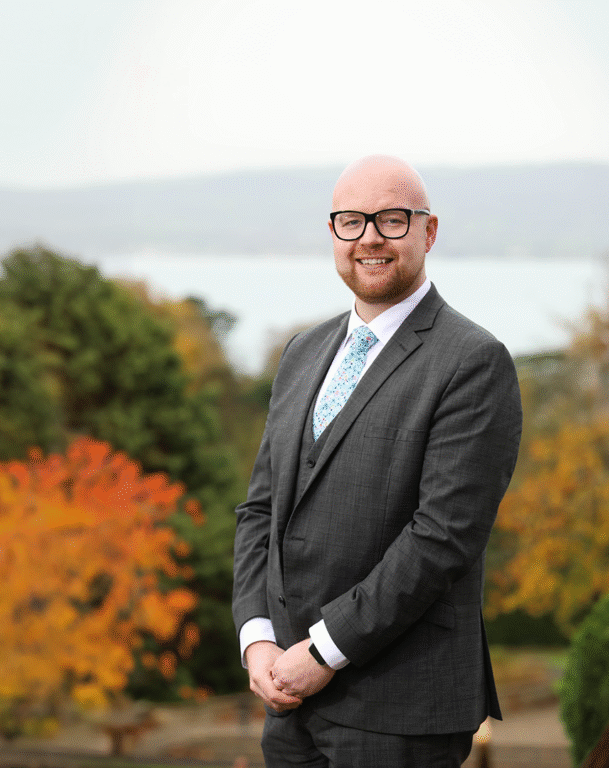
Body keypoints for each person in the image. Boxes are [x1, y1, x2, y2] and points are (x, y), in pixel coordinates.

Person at [232, 154, 522, 767]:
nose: (369, 237)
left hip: (398, 711)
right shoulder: (303, 352)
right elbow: (262, 508)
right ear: (333, 233)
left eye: (392, 220)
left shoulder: (472, 362)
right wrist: (257, 639)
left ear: (428, 231)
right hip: (287, 702)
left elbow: (443, 537)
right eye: (350, 221)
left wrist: (321, 653)